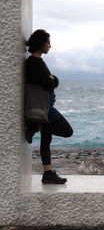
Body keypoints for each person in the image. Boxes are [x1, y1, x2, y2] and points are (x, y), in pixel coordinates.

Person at [25, 29, 73, 184]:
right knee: (67, 131)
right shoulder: (34, 63)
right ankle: (38, 126)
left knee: (47, 140)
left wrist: (53, 79)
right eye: (48, 42)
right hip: (45, 108)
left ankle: (47, 173)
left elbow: (53, 80)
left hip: (45, 105)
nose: (50, 46)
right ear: (41, 44)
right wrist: (52, 79)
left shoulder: (37, 62)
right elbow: (50, 83)